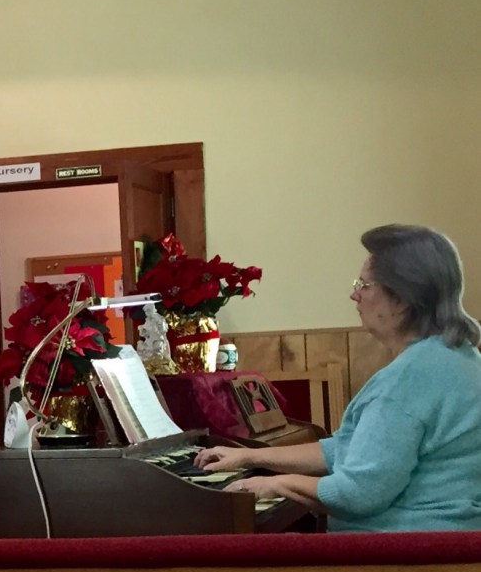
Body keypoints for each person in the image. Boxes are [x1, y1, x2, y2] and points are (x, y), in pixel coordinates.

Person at [194, 224, 481, 532]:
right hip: (451, 538)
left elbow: (358, 494)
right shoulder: (456, 355)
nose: (354, 294)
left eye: (365, 285)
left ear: (401, 299)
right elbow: (348, 449)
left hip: (407, 548)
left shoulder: (409, 381)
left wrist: (275, 484)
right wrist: (248, 457)